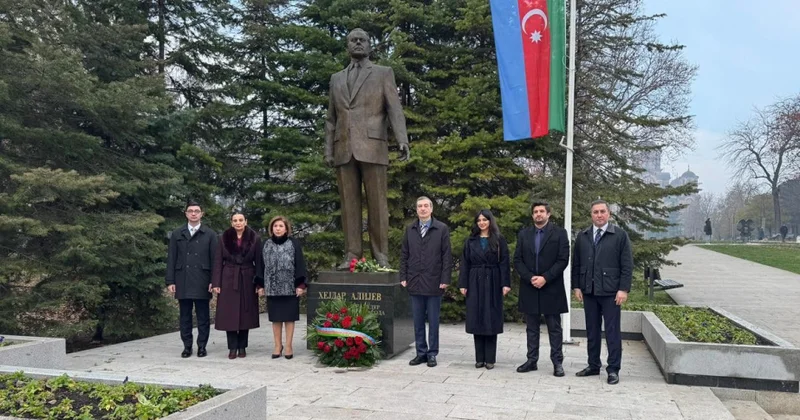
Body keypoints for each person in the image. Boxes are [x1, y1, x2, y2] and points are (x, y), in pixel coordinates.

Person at [324, 28, 410, 269]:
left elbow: (394, 108)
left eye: (363, 40)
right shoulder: (336, 78)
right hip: (344, 149)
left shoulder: (383, 73)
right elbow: (331, 118)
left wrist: (401, 138)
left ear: (370, 45)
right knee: (348, 205)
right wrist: (328, 150)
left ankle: (380, 255)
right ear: (347, 46)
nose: (358, 43)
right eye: (354, 40)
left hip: (373, 147)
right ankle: (352, 254)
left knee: (377, 205)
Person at [571, 199, 633, 385]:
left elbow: (627, 265)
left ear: (609, 214)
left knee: (612, 331)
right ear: (591, 215)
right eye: (595, 212)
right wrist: (577, 286)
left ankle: (613, 369)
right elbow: (577, 263)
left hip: (611, 292)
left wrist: (623, 289)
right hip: (589, 291)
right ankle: (593, 364)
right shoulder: (583, 235)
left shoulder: (620, 235)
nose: (599, 215)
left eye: (602, 212)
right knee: (592, 330)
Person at [513, 200, 570, 377]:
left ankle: (557, 362)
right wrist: (530, 277)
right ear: (532, 215)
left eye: (541, 211)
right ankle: (532, 360)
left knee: (554, 327)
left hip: (551, 286)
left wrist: (545, 277)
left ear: (548, 214)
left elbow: (563, 259)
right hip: (530, 286)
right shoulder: (524, 234)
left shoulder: (560, 233)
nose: (538, 214)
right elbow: (517, 260)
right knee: (531, 327)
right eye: (535, 211)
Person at [400, 196, 452, 367]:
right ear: (416, 210)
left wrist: (445, 279)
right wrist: (403, 276)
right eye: (419, 206)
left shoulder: (441, 229)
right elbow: (404, 255)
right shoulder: (410, 229)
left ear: (431, 209)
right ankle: (420, 352)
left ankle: (432, 353)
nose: (422, 209)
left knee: (434, 321)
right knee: (417, 320)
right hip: (415, 281)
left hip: (434, 281)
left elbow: (446, 256)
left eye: (425, 206)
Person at [458, 210, 511, 370]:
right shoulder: (470, 241)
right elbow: (464, 263)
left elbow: (504, 263)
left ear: (490, 221)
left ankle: (490, 359)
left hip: (493, 280)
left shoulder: (499, 240)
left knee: (491, 317)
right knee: (476, 317)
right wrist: (463, 284)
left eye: (485, 220)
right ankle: (479, 358)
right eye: (479, 220)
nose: (482, 223)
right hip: (475, 281)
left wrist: (505, 283)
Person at [165, 201, 217, 358]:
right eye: (190, 211)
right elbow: (172, 258)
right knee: (185, 316)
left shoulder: (210, 234)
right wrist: (170, 281)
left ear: (202, 214)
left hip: (202, 279)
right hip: (183, 279)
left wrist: (214, 281)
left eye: (197, 211)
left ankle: (202, 346)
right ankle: (187, 346)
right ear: (186, 214)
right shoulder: (177, 233)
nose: (193, 213)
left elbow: (215, 260)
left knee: (203, 316)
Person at [211, 212, 263, 360]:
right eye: (235, 220)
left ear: (246, 221)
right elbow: (217, 261)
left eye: (241, 220)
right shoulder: (223, 238)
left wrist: (259, 284)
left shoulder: (255, 238)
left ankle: (242, 346)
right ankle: (232, 347)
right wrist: (216, 283)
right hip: (228, 277)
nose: (238, 223)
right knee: (230, 314)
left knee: (245, 314)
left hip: (247, 277)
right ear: (231, 222)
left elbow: (259, 262)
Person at [260, 216, 307, 360]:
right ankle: (277, 345)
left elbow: (300, 263)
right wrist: (260, 285)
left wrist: (300, 284)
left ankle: (288, 346)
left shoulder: (293, 243)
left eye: (281, 226)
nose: (278, 228)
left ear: (286, 229)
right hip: (272, 287)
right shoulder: (265, 244)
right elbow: (261, 266)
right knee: (276, 318)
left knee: (289, 318)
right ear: (271, 229)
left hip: (290, 287)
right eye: (275, 226)